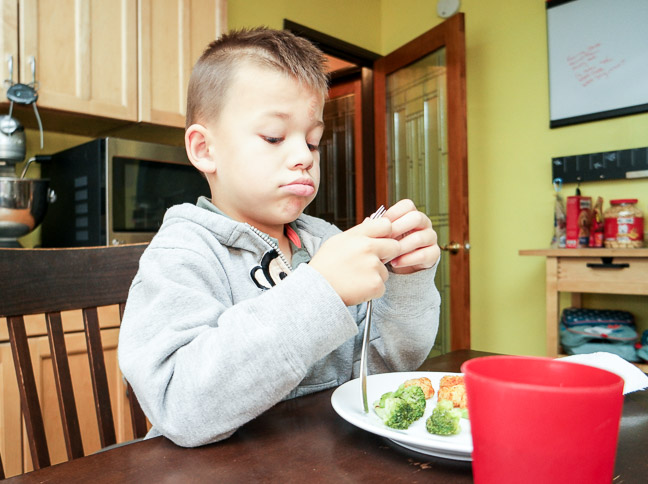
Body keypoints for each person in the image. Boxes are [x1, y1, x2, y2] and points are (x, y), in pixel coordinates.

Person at [118, 27, 441, 447]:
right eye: (274, 137)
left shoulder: (324, 241)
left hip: (318, 458)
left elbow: (381, 367)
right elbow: (181, 407)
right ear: (204, 149)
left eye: (313, 141)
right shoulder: (182, 254)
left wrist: (408, 279)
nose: (305, 156)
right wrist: (320, 290)